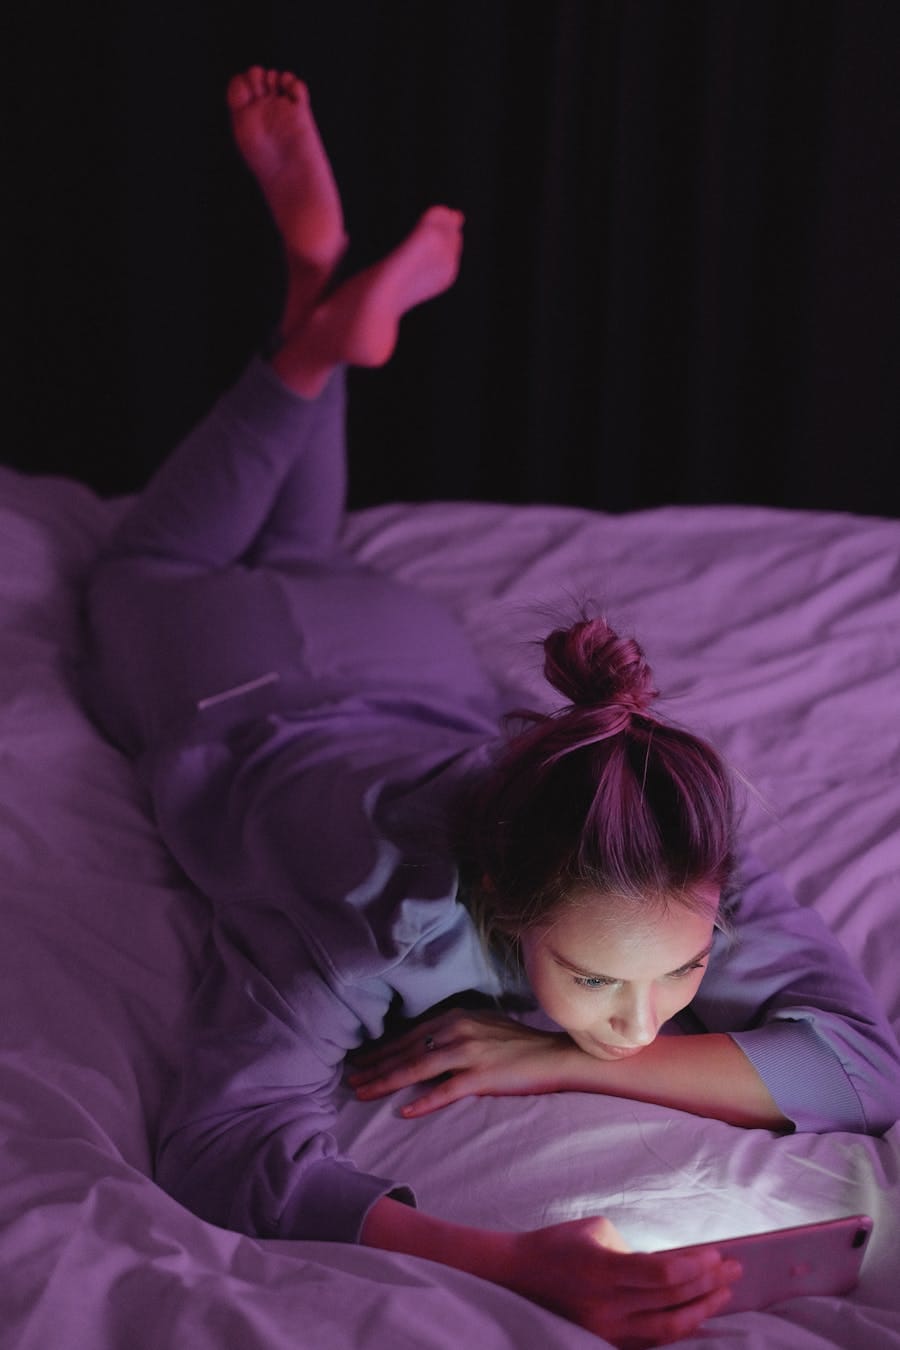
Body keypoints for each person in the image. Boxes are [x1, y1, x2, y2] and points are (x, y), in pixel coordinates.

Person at [82, 67, 900, 1347]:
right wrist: (509, 1263)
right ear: (512, 912)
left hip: (388, 651)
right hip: (231, 667)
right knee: (141, 565)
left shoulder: (660, 844)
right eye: (593, 985)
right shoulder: (364, 927)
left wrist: (564, 1051)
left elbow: (867, 1068)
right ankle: (311, 323)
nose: (646, 1026)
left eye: (681, 971)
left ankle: (321, 291)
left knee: (314, 546)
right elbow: (220, 1140)